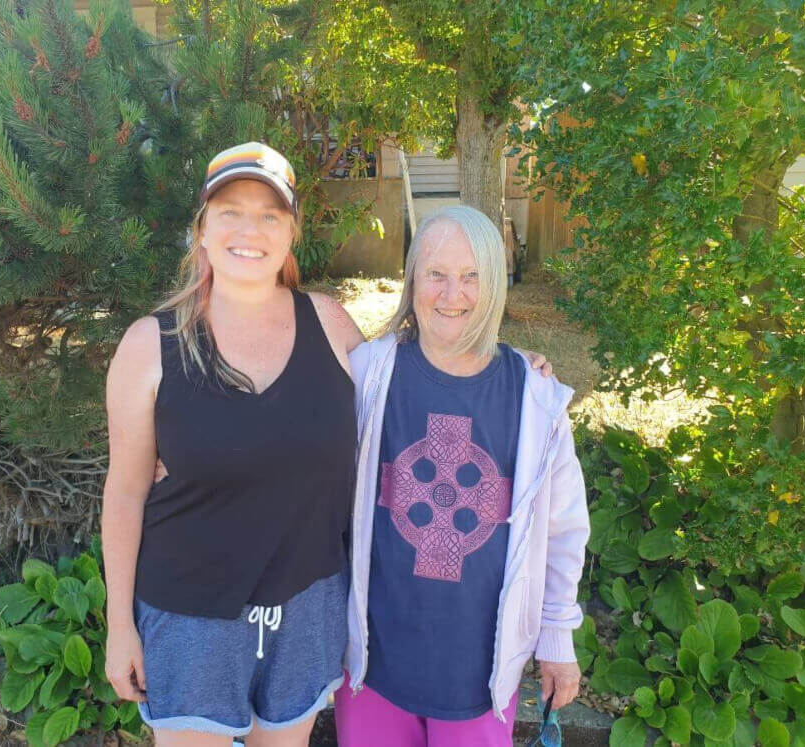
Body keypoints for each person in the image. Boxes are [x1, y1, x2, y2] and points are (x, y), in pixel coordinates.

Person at [101, 142, 363, 747]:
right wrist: (121, 626)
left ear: (292, 232)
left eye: (270, 214)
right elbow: (125, 491)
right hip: (191, 614)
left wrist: (505, 364)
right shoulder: (150, 345)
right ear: (202, 231)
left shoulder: (330, 324)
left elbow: (409, 394)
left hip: (308, 603)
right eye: (231, 211)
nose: (251, 229)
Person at [336, 205, 590, 747]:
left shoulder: (535, 399)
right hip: (373, 669)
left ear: (495, 284)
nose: (453, 295)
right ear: (411, 280)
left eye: (472, 276)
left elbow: (564, 529)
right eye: (436, 275)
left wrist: (557, 639)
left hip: (478, 679)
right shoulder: (367, 376)